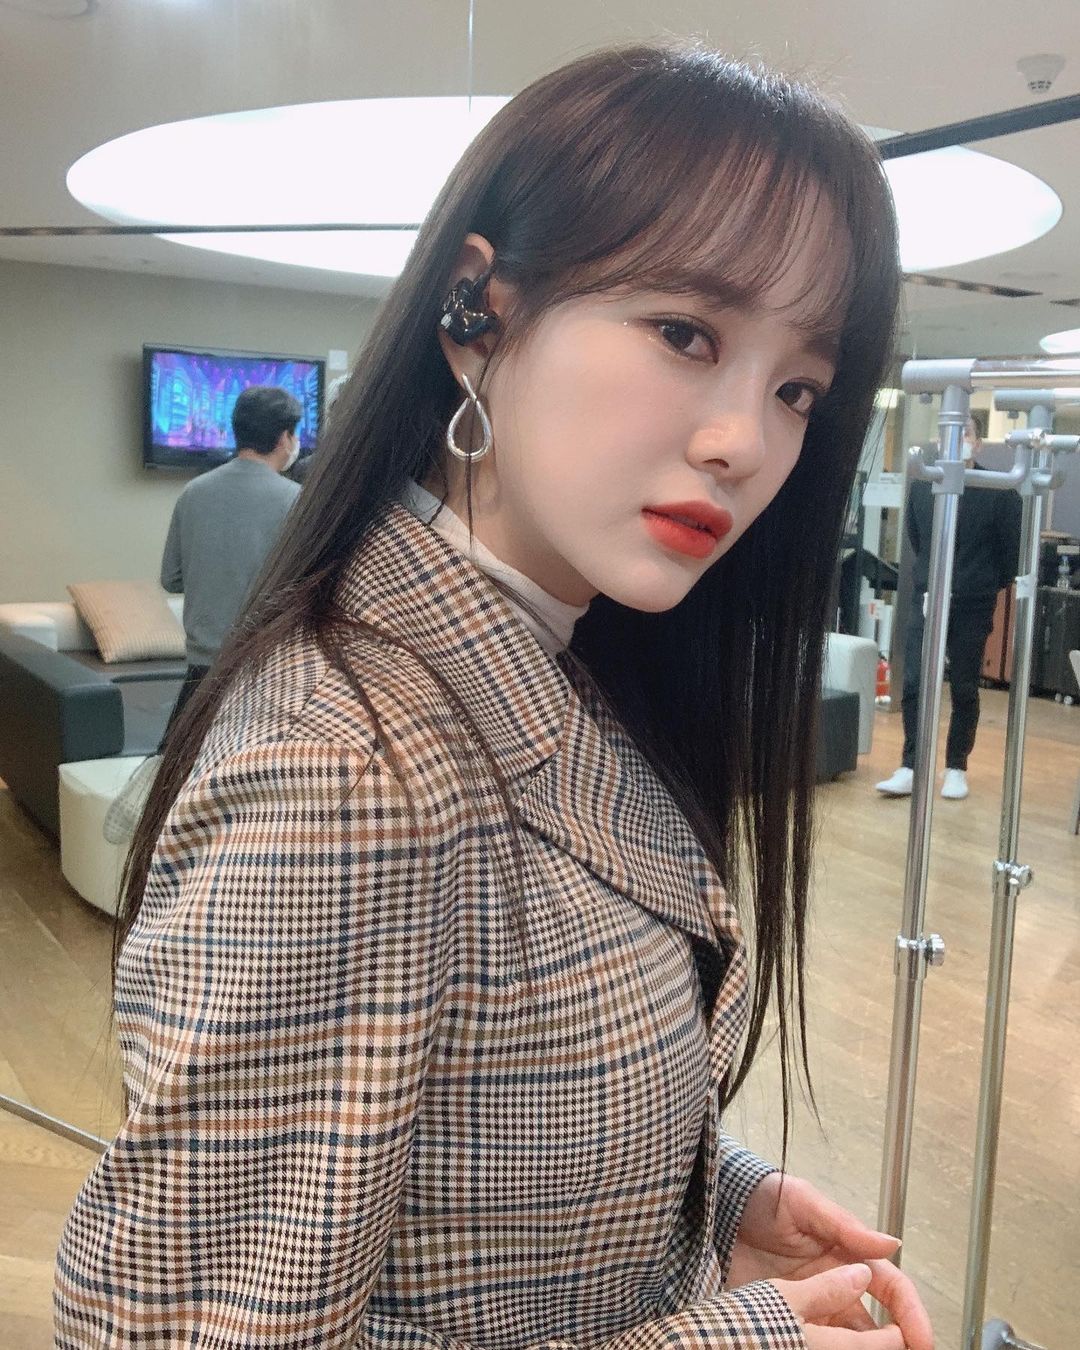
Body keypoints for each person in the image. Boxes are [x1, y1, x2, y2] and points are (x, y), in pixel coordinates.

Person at [56, 46, 933, 1350]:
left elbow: (477, 1122)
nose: (744, 441)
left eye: (796, 387)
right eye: (685, 333)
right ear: (478, 316)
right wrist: (727, 1339)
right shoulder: (350, 772)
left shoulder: (566, 659)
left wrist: (711, 1197)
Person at [876, 412, 1023, 800]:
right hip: (928, 597)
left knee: (963, 685)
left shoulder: (999, 490)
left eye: (965, 432)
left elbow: (1010, 556)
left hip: (973, 601)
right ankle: (911, 764)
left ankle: (956, 766)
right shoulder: (923, 485)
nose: (956, 439)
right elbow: (917, 538)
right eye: (948, 432)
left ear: (977, 442)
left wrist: (979, 582)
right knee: (914, 682)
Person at [159, 384, 302, 722]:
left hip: (201, 674)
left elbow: (171, 579)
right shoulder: (297, 501)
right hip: (265, 673)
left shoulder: (193, 492)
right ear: (285, 438)